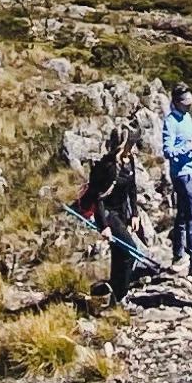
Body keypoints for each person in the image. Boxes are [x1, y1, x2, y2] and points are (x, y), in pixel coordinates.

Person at [74, 125, 144, 304]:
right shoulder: (107, 166)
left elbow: (132, 188)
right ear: (124, 144)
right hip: (107, 213)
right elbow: (98, 198)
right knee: (130, 251)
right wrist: (104, 226)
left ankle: (113, 294)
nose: (135, 146)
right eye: (132, 142)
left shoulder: (129, 161)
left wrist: (134, 214)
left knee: (120, 254)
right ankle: (121, 296)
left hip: (121, 211)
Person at [159, 87, 192, 273]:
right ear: (177, 103)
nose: (189, 106)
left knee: (182, 215)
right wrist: (190, 146)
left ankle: (179, 255)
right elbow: (168, 151)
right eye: (186, 103)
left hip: (189, 171)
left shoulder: (186, 117)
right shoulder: (171, 122)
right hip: (182, 174)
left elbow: (190, 140)